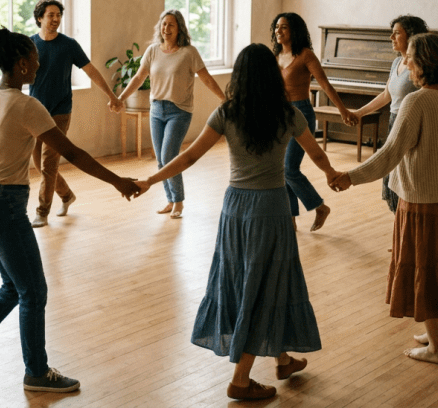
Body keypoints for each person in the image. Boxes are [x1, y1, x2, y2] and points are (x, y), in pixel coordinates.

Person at [0, 26, 139, 392]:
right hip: (4, 207)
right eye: (35, 60)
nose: (39, 65)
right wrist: (119, 181)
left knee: (13, 287)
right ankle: (36, 372)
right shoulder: (26, 105)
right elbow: (72, 153)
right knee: (33, 292)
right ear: (22, 65)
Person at [134, 43, 338, 401]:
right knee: (264, 283)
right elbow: (317, 152)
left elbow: (189, 157)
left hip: (235, 209)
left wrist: (150, 181)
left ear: (240, 77)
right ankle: (241, 379)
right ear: (273, 76)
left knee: (255, 279)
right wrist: (332, 175)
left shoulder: (227, 112)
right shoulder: (288, 114)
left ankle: (283, 359)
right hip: (271, 209)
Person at [330, 33, 438, 365]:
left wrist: (350, 177)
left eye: (410, 57)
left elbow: (390, 154)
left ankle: (436, 348)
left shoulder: (417, 102)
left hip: (422, 205)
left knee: (425, 270)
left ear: (424, 62)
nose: (405, 63)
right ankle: (435, 331)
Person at [116, 9, 226, 219]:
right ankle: (170, 199)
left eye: (171, 25)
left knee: (168, 156)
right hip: (157, 109)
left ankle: (179, 202)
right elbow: (139, 78)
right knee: (160, 159)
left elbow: (206, 78)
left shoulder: (189, 52)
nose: (166, 29)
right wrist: (121, 98)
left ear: (179, 29)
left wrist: (224, 99)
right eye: (164, 24)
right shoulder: (152, 51)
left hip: (180, 111)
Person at [28, 0, 122, 227]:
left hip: (60, 112)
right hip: (35, 112)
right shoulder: (30, 45)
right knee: (39, 164)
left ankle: (42, 211)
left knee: (49, 162)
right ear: (40, 18)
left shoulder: (68, 45)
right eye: (51, 15)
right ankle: (67, 195)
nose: (56, 19)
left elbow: (91, 71)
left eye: (58, 15)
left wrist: (112, 96)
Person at [271, 12, 358, 230]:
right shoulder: (275, 55)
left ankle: (319, 207)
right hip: (279, 114)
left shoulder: (305, 55)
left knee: (290, 168)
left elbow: (325, 85)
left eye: (284, 27)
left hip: (301, 113)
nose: (278, 31)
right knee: (283, 169)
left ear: (294, 30)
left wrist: (343, 111)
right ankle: (290, 219)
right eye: (277, 27)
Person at [350, 15, 429, 212]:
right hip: (393, 122)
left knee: (406, 183)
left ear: (411, 35)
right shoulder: (396, 63)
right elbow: (387, 95)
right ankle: (400, 237)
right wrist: (359, 113)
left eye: (396, 33)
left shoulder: (421, 64)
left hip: (411, 126)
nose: (391, 37)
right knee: (392, 180)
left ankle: (406, 240)